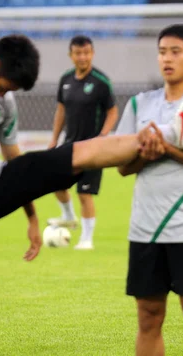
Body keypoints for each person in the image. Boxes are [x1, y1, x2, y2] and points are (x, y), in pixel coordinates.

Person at [0, 34, 183, 356]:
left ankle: (171, 132)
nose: (2, 95)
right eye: (2, 86)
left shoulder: (4, 100)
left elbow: (15, 160)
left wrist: (30, 216)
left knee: (76, 155)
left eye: (9, 91)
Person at [116, 24, 183, 356]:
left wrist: (163, 146)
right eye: (162, 51)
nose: (166, 58)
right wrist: (143, 152)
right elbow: (123, 165)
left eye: (175, 51)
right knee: (148, 318)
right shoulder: (139, 104)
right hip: (144, 229)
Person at [47, 35, 119, 250]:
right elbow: (61, 110)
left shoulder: (101, 81)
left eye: (86, 52)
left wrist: (103, 136)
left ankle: (86, 239)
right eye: (78, 53)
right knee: (54, 180)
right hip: (70, 145)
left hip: (93, 148)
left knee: (84, 193)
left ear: (92, 53)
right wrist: (54, 139)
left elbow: (112, 111)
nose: (83, 57)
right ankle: (69, 216)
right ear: (71, 55)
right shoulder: (66, 80)